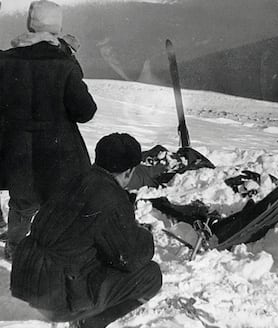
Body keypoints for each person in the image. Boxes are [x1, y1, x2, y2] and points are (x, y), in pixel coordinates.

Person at [10, 133, 163, 328]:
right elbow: (130, 259)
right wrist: (144, 235)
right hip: (55, 297)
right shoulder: (111, 197)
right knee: (151, 275)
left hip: (24, 277)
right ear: (128, 172)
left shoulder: (74, 178)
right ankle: (90, 323)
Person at [0, 0, 97, 258]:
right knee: (60, 203)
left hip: (16, 151)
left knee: (21, 203)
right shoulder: (63, 63)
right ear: (58, 27)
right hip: (58, 153)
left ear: (29, 24)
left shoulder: (4, 60)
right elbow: (85, 111)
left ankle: (15, 248)